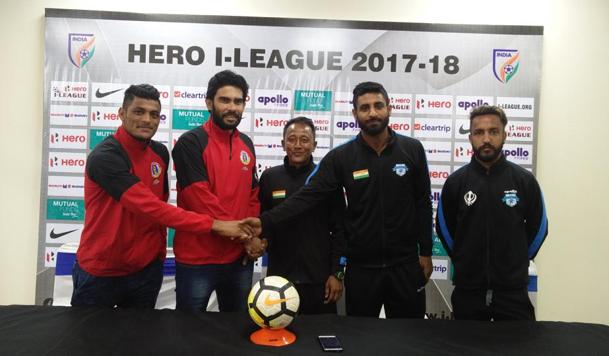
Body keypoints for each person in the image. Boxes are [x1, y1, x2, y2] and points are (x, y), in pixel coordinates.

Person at [246, 82, 433, 318]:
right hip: (362, 269)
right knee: (359, 340)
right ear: (355, 114)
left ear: (390, 108)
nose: (372, 112)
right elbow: (306, 196)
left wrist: (425, 251)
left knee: (411, 337)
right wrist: (265, 222)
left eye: (378, 105)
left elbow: (423, 203)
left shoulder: (413, 149)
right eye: (364, 108)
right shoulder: (341, 157)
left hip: (405, 264)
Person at [72, 84, 251, 309]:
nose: (147, 120)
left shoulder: (160, 153)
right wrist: (217, 225)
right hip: (101, 272)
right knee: (88, 343)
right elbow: (152, 208)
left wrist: (155, 257)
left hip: (145, 272)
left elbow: (161, 204)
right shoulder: (105, 157)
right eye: (139, 112)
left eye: (154, 114)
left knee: (140, 343)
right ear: (121, 113)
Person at [435, 105, 548, 321]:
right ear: (470, 138)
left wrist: (519, 260)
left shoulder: (524, 181)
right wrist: (462, 259)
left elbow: (539, 228)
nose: (486, 139)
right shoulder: (456, 183)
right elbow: (444, 228)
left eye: (493, 131)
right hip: (468, 292)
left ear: (504, 135)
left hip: (513, 293)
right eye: (479, 132)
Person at [172, 70, 264, 312]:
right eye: (225, 100)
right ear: (209, 103)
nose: (232, 107)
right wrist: (246, 237)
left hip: (238, 260)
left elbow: (252, 195)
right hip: (197, 260)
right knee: (190, 334)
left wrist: (253, 235)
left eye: (238, 101)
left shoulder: (247, 143)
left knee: (235, 333)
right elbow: (199, 199)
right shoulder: (190, 142)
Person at [258, 117, 346, 314]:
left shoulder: (327, 179)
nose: (297, 145)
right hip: (279, 279)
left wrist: (337, 274)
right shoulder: (270, 178)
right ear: (283, 144)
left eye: (304, 140)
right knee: (279, 338)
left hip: (319, 280)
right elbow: (264, 223)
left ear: (314, 145)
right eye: (291, 139)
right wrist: (262, 241)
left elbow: (340, 230)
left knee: (319, 337)